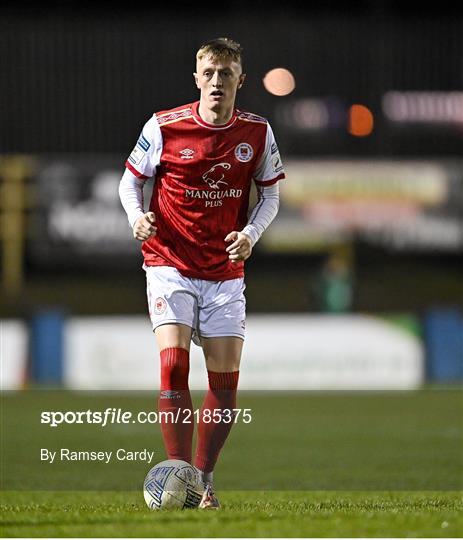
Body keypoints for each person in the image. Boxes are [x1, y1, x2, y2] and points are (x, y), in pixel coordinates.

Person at [119, 37, 285, 509]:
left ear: (240, 80)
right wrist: (137, 218)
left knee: (223, 386)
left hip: (225, 271)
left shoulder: (257, 133)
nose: (216, 82)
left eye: (226, 73)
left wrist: (251, 234)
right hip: (168, 261)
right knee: (173, 368)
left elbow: (270, 194)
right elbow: (131, 180)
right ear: (196, 77)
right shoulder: (165, 126)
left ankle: (204, 480)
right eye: (209, 73)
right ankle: (177, 474)